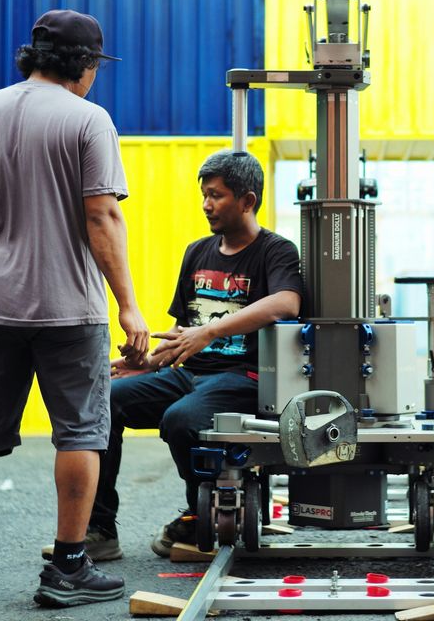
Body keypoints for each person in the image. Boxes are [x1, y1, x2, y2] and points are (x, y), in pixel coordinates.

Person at [0, 9, 149, 608]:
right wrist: (129, 306)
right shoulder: (89, 121)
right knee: (81, 434)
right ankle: (68, 567)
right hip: (68, 307)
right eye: (94, 67)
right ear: (83, 65)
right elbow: (102, 215)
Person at [78, 150, 303, 561]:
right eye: (204, 195)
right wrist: (147, 362)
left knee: (182, 419)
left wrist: (211, 331)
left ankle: (203, 515)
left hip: (243, 378)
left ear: (247, 200)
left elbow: (287, 302)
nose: (206, 205)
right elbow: (185, 333)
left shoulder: (276, 251)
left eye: (216, 196)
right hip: (190, 375)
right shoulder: (197, 252)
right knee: (105, 400)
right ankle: (99, 529)